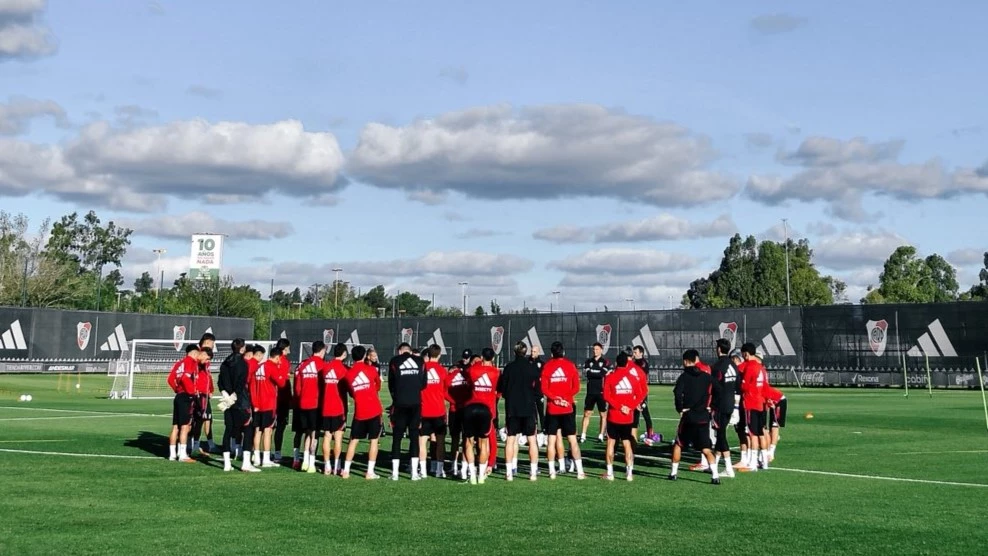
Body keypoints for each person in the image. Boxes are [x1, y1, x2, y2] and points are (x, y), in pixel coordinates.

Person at [668, 349, 720, 485]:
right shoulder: (706, 376)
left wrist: (680, 408)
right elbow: (719, 390)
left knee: (679, 444)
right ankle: (715, 476)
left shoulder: (684, 377)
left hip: (688, 416)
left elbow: (677, 393)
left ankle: (673, 473)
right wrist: (711, 405)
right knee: (706, 449)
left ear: (685, 361)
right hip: (703, 416)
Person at [692, 339, 740, 477]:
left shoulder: (717, 367)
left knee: (721, 435)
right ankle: (715, 463)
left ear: (719, 349)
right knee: (721, 433)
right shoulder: (733, 365)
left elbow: (713, 387)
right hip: (730, 403)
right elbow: (737, 386)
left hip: (719, 405)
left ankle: (729, 468)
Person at [540, 342, 585, 480]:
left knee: (552, 439)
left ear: (551, 353)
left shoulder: (547, 366)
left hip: (553, 409)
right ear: (563, 352)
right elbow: (577, 387)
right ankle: (580, 472)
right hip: (567, 407)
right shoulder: (570, 365)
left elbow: (544, 388)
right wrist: (565, 398)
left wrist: (555, 398)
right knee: (572, 440)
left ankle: (552, 471)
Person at [497, 341, 541, 481]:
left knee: (510, 439)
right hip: (528, 408)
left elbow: (502, 389)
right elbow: (537, 388)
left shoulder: (509, 368)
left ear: (514, 352)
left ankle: (509, 473)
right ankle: (533, 473)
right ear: (525, 351)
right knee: (532, 440)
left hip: (513, 409)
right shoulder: (531, 367)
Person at [341, 345, 383, 480]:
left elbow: (352, 393)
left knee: (353, 441)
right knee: (374, 441)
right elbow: (378, 386)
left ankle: (346, 471)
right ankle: (369, 472)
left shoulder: (348, 374)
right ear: (365, 356)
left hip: (359, 411)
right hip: (374, 410)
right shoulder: (371, 370)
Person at [602, 352, 646, 481]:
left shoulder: (610, 377)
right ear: (627, 363)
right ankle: (629, 473)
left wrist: (619, 406)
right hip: (627, 416)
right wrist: (630, 407)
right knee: (627, 443)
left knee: (611, 442)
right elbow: (641, 394)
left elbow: (606, 396)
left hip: (613, 416)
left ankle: (610, 473)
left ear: (616, 363)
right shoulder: (632, 378)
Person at [217, 339, 259, 472]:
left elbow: (220, 382)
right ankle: (246, 463)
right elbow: (241, 384)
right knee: (247, 430)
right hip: (241, 401)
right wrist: (233, 397)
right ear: (242, 349)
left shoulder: (225, 362)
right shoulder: (242, 363)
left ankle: (227, 464)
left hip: (228, 401)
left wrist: (226, 396)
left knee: (228, 431)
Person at [387, 342, 426, 481]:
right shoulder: (420, 361)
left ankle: (395, 473)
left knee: (397, 437)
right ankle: (414, 473)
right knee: (414, 437)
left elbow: (391, 383)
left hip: (400, 404)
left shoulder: (394, 361)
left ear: (400, 351)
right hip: (416, 403)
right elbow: (424, 384)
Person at [461, 348, 500, 484]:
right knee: (484, 443)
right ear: (493, 358)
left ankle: (472, 474)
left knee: (469, 442)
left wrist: (478, 363)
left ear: (482, 357)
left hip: (471, 406)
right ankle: (481, 475)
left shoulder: (473, 370)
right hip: (487, 409)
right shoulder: (495, 372)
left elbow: (468, 373)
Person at [250, 345, 288, 468]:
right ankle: (266, 459)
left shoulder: (259, 367)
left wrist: (254, 403)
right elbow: (281, 383)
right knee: (268, 430)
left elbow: (252, 386)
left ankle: (256, 457)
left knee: (257, 430)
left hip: (257, 403)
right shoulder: (271, 367)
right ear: (277, 357)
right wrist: (282, 371)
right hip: (268, 404)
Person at [294, 340, 327, 474]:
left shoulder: (303, 365)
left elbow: (297, 388)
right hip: (316, 403)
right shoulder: (322, 365)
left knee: (307, 432)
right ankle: (311, 463)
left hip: (302, 403)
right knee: (315, 434)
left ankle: (305, 461)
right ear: (322, 351)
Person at [419, 344, 450, 478]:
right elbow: (446, 390)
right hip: (438, 411)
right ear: (439, 355)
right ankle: (439, 470)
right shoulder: (442, 371)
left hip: (424, 411)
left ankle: (423, 471)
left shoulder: (422, 369)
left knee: (422, 442)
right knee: (440, 441)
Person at [320, 342, 350, 476]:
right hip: (339, 407)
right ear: (344, 354)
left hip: (326, 406)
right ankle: (336, 465)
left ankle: (326, 466)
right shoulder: (344, 370)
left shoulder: (325, 367)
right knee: (338, 437)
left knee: (326, 436)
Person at [737, 343, 769, 472]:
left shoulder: (750, 366)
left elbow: (745, 385)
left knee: (752, 434)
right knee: (761, 432)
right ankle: (765, 462)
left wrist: (740, 384)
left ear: (745, 353)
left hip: (751, 402)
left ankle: (753, 463)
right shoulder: (761, 367)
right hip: (761, 402)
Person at [167, 344, 200, 463]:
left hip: (179, 396)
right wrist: (192, 392)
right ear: (194, 353)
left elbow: (170, 379)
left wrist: (177, 389)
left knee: (176, 426)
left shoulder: (179, 363)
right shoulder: (191, 362)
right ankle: (182, 455)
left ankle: (172, 454)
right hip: (186, 396)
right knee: (185, 426)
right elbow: (186, 378)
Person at [445, 357, 472, 479]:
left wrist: (454, 402)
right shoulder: (467, 376)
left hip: (454, 410)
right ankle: (463, 466)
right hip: (463, 410)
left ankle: (454, 465)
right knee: (466, 440)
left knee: (455, 439)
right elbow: (473, 391)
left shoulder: (452, 377)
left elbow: (444, 392)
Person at [580, 342, 610, 443]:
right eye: (594, 349)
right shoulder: (588, 361)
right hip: (590, 392)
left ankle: (601, 435)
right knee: (587, 413)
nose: (595, 351)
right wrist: (596, 373)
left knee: (603, 414)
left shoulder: (605, 361)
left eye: (597, 349)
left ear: (601, 350)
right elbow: (588, 374)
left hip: (601, 392)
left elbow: (602, 374)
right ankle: (583, 435)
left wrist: (595, 373)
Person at [189, 347, 214, 457]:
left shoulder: (205, 366)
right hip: (197, 396)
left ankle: (199, 445)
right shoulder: (194, 364)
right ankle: (190, 446)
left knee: (205, 419)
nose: (208, 362)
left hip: (205, 396)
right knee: (195, 422)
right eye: (208, 359)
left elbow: (209, 378)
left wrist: (211, 390)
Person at [272, 339, 292, 463]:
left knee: (266, 427)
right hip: (281, 398)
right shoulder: (284, 362)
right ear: (285, 349)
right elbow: (284, 382)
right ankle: (277, 453)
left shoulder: (272, 361)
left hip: (270, 398)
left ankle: (259, 453)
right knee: (280, 426)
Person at [631, 345, 657, 442]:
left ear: (641, 353)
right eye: (633, 352)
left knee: (645, 413)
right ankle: (634, 437)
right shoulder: (633, 363)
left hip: (642, 392)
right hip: (634, 392)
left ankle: (650, 434)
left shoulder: (643, 363)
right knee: (635, 414)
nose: (634, 354)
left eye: (636, 352)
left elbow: (640, 376)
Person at [197, 333, 217, 453]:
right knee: (198, 420)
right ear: (206, 342)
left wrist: (210, 389)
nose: (213, 346)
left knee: (208, 418)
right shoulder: (199, 355)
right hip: (199, 393)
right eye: (212, 344)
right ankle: (193, 444)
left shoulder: (207, 357)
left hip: (205, 392)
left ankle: (210, 444)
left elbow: (207, 375)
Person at [529, 346, 547, 447]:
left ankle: (544, 429)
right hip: (530, 392)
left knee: (541, 411)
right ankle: (533, 429)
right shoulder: (528, 362)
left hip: (539, 392)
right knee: (532, 412)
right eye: (531, 351)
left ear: (538, 352)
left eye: (534, 351)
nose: (532, 353)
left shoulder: (542, 363)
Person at [765, 383, 787, 462]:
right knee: (770, 426)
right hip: (772, 401)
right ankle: (773, 439)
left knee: (774, 425)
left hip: (779, 401)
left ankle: (771, 452)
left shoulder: (761, 389)